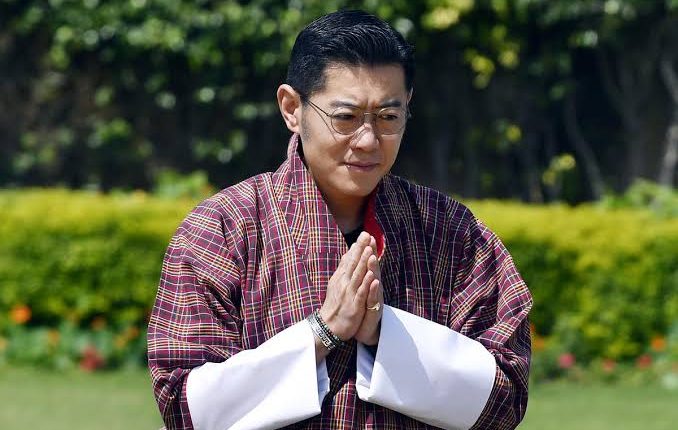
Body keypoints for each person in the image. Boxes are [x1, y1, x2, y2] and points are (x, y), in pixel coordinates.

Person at [148, 9, 532, 430]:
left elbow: (506, 399)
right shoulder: (223, 229)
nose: (368, 140)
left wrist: (385, 334)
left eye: (388, 117)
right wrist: (322, 331)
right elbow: (183, 409)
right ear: (292, 108)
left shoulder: (451, 231)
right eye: (345, 117)